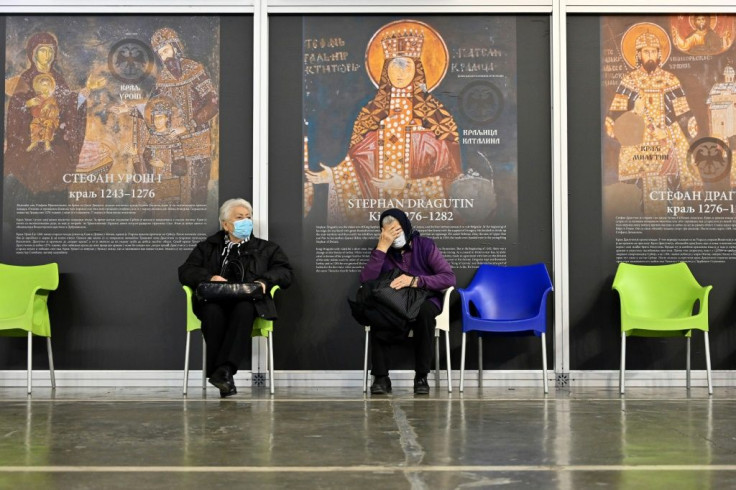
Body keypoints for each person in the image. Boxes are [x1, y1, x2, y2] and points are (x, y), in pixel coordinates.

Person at [305, 27, 462, 223]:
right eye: (395, 65)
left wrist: (406, 186)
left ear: (417, 70)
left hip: (421, 222)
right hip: (377, 220)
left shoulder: (437, 121)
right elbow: (359, 164)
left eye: (406, 66)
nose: (400, 73)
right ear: (385, 70)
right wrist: (334, 177)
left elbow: (452, 180)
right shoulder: (371, 117)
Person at [178, 198, 293, 397]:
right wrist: (209, 277)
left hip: (249, 300)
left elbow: (284, 272)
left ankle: (223, 372)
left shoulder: (267, 249)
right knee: (212, 313)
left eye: (248, 217)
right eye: (239, 218)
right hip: (214, 300)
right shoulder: (207, 247)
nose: (246, 221)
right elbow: (186, 271)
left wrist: (265, 281)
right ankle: (224, 373)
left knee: (244, 308)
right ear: (225, 224)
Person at [360, 208, 455, 395]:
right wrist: (381, 248)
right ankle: (381, 376)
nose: (394, 236)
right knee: (377, 313)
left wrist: (416, 281)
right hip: (395, 302)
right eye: (389, 232)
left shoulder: (425, 245)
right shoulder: (381, 250)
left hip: (423, 298)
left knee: (425, 314)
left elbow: (448, 278)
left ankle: (421, 376)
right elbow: (366, 280)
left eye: (397, 230)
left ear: (406, 227)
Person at [605, 27, 699, 215]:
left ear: (659, 54)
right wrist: (635, 111)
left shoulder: (670, 79)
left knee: (675, 185)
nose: (650, 55)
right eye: (645, 51)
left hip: (668, 137)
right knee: (650, 190)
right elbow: (613, 120)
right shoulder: (629, 81)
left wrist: (680, 129)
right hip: (640, 141)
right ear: (638, 54)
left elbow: (683, 113)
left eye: (653, 51)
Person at [4, 31, 105, 202]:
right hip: (27, 135)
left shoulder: (58, 79)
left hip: (55, 135)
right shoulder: (26, 78)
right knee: (27, 159)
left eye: (50, 51)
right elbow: (16, 108)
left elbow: (68, 106)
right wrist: (28, 104)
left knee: (59, 157)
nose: (47, 55)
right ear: (33, 54)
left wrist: (84, 93)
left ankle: (53, 205)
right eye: (43, 50)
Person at [26, 73, 60, 152]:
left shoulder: (52, 98)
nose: (45, 87)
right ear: (39, 87)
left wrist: (50, 107)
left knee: (48, 125)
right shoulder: (37, 98)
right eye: (43, 85)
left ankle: (47, 142)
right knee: (34, 125)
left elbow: (56, 109)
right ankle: (34, 142)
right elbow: (33, 110)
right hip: (39, 117)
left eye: (47, 85)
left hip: (49, 118)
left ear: (50, 87)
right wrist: (36, 108)